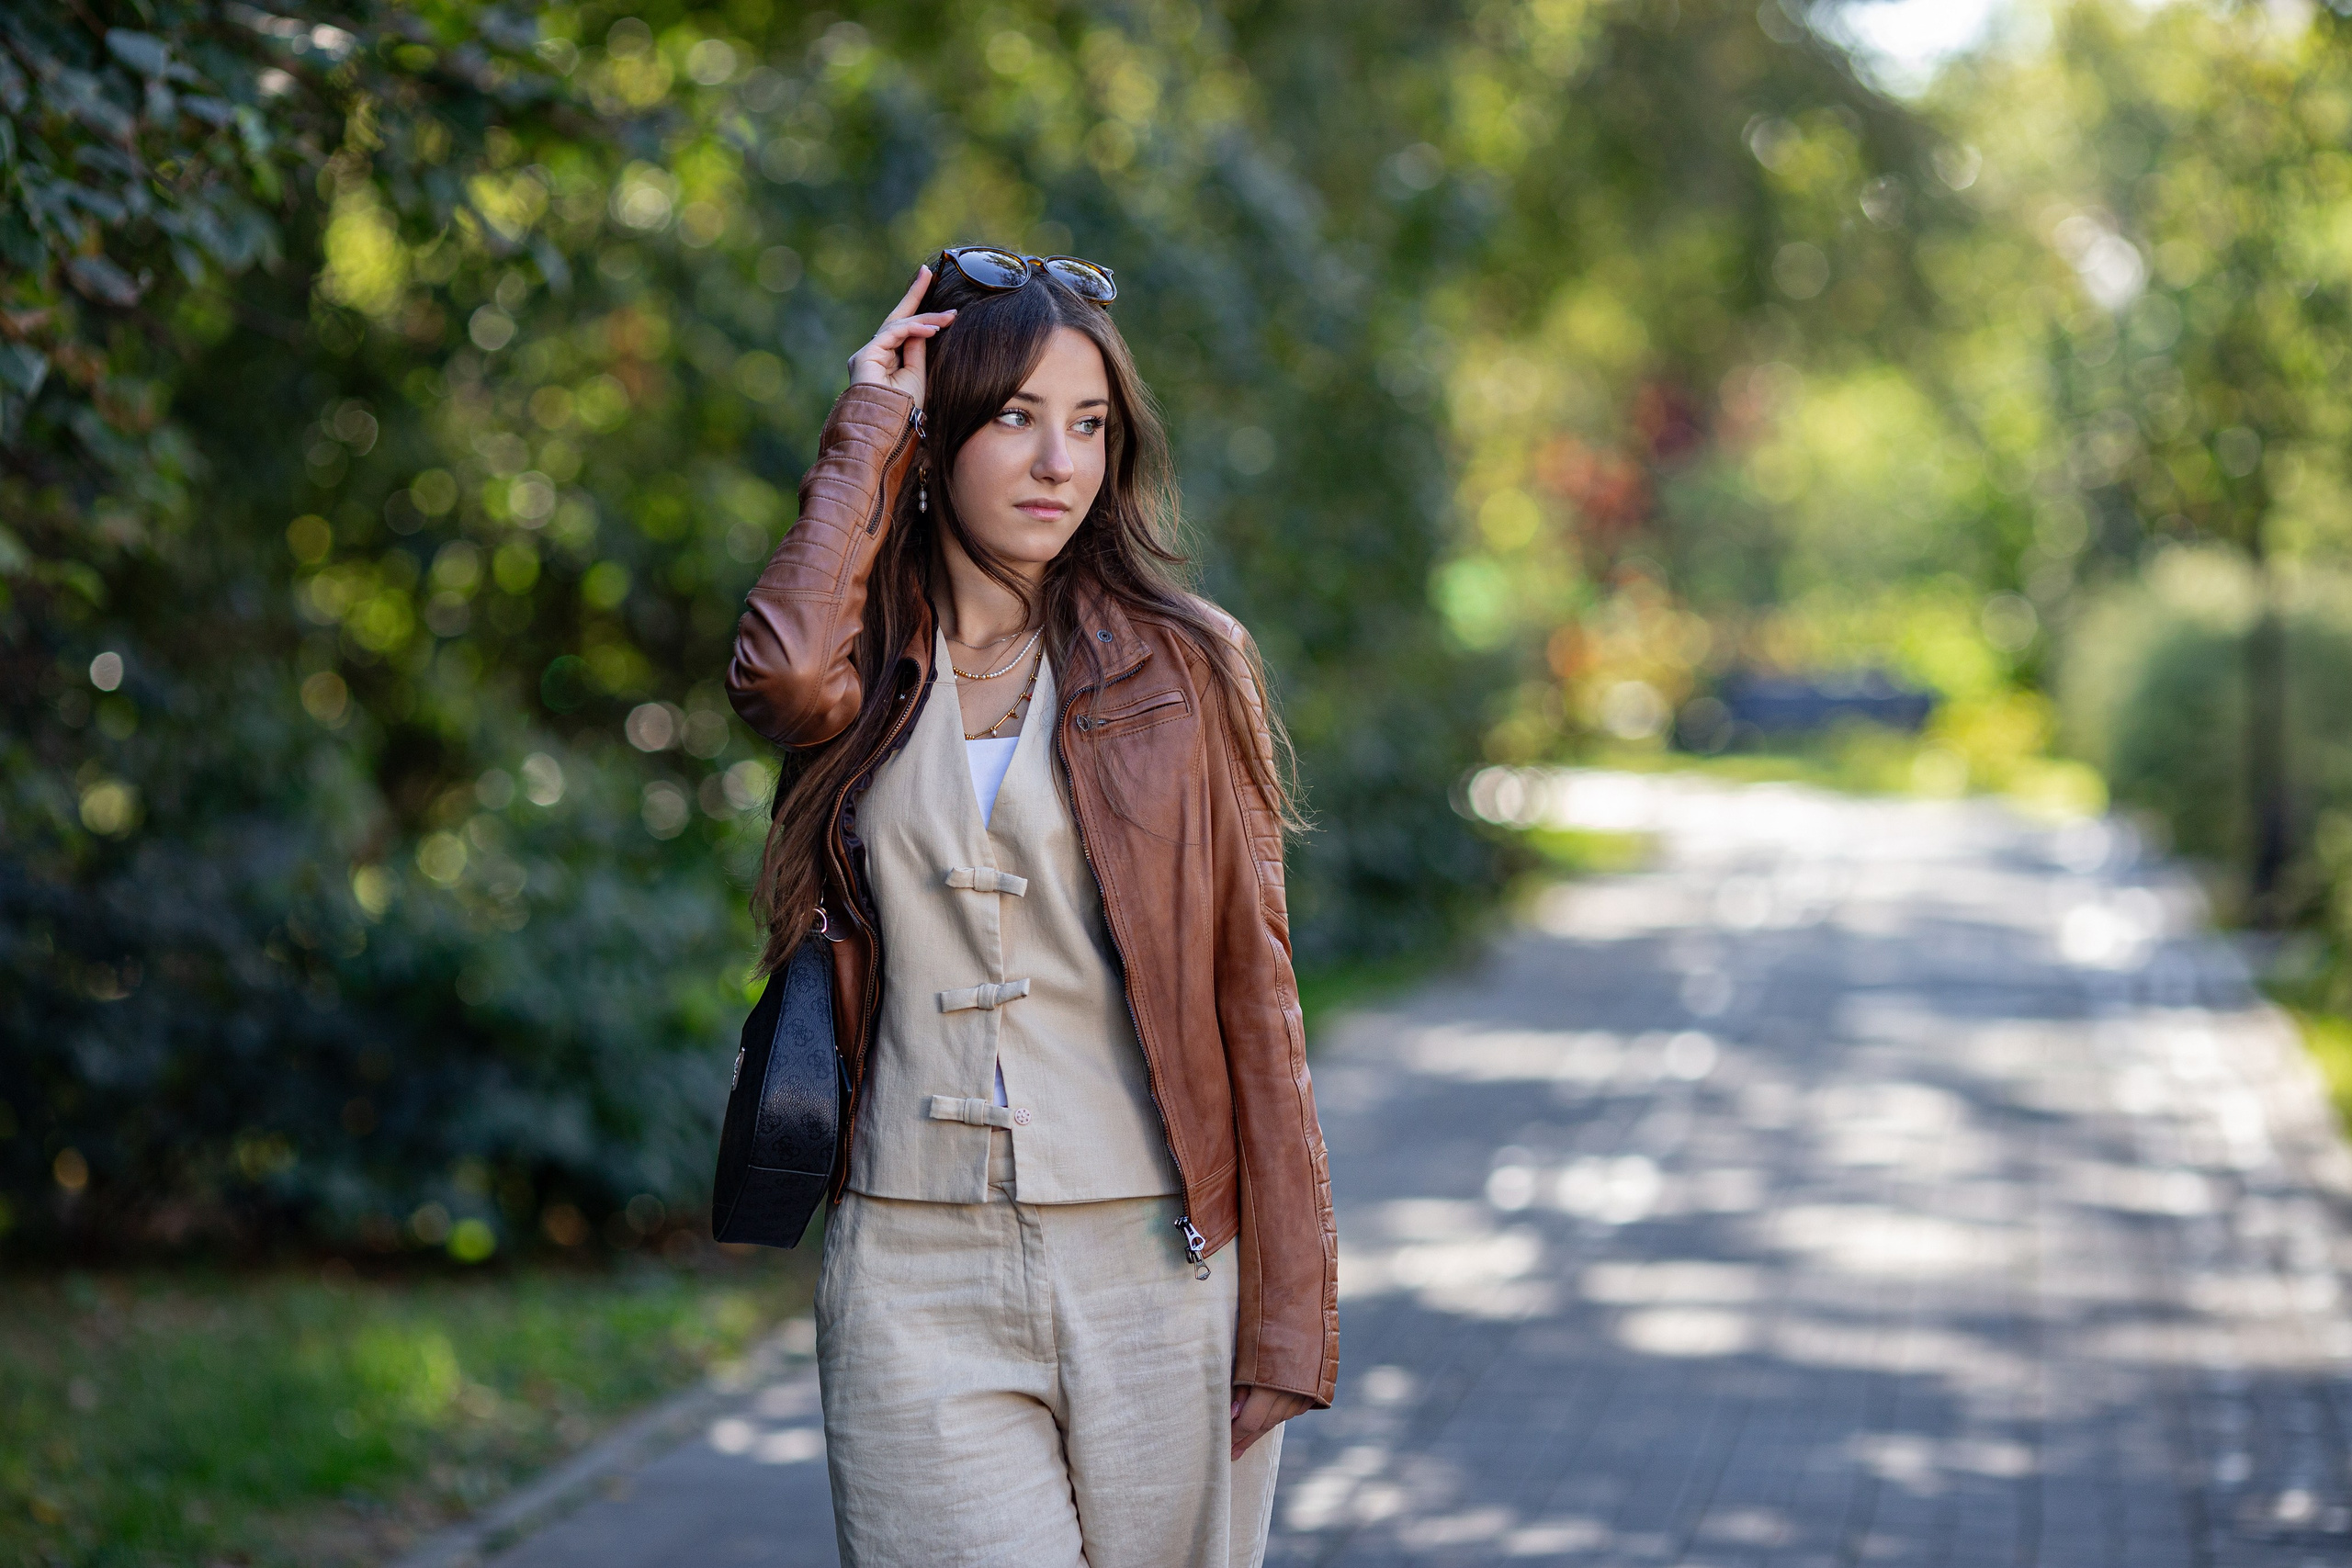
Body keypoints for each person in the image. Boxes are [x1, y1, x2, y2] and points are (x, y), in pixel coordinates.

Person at [725, 247, 1339, 1568]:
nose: (1061, 462)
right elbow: (774, 675)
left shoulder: (1183, 665)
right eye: (1015, 418)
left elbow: (1256, 986)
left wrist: (1290, 1308)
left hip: (1156, 1260)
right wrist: (865, 421)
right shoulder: (864, 667)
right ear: (941, 441)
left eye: (1091, 425)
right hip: (907, 1262)